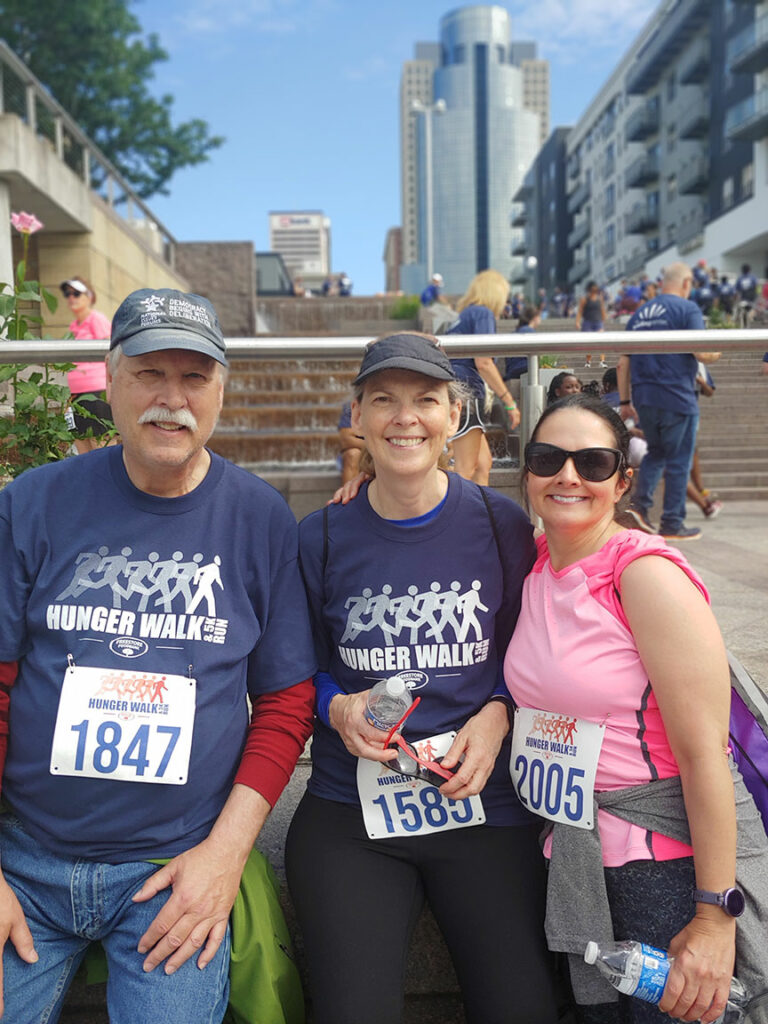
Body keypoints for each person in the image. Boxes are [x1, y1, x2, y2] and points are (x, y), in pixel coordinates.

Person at [0, 288, 317, 1022]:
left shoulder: (259, 518)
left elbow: (286, 700)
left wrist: (225, 856)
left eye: (194, 379)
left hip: (172, 867)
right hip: (26, 859)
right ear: (109, 380)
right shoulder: (32, 504)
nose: (171, 401)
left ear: (220, 392)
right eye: (149, 374)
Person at [287, 332, 559, 1024]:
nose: (405, 417)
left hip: (483, 806)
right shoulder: (319, 535)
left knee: (523, 1009)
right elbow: (298, 668)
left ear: (453, 415)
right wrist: (337, 705)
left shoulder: (500, 523)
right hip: (350, 812)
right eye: (384, 399)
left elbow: (528, 651)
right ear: (357, 416)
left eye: (425, 400)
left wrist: (497, 710)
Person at [503, 393, 768, 1024]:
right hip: (576, 855)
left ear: (623, 480)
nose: (568, 475)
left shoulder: (645, 575)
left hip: (666, 867)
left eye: (592, 462)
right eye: (548, 458)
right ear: (528, 473)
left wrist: (712, 915)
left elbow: (708, 756)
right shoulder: (538, 565)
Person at [617, 261, 720, 541]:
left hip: (645, 397)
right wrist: (718, 351)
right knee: (678, 461)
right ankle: (673, 522)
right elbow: (700, 351)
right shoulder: (687, 309)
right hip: (677, 396)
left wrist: (625, 399)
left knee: (657, 453)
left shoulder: (639, 315)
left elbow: (622, 362)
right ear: (687, 284)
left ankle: (640, 506)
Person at [445, 269, 521, 485]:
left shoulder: (463, 316)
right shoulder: (482, 314)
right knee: (465, 468)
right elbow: (484, 362)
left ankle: (481, 516)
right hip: (466, 389)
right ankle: (454, 518)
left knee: (483, 464)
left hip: (454, 387)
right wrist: (509, 403)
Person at [60, 277, 115, 454]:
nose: (71, 298)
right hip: (77, 393)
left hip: (97, 391)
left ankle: (107, 481)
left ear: (89, 297)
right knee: (82, 443)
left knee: (102, 442)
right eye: (68, 294)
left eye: (76, 293)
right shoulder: (74, 326)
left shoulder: (96, 319)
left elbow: (111, 350)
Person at [576, 281, 607, 368]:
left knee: (601, 342)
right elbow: (580, 311)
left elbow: (602, 309)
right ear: (589, 289)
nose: (594, 290)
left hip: (598, 322)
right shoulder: (584, 299)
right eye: (593, 289)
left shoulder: (599, 299)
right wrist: (577, 322)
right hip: (588, 322)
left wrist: (604, 320)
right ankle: (588, 361)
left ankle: (602, 361)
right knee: (589, 343)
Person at [337, 399, 365, 484]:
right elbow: (346, 440)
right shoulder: (351, 407)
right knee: (353, 454)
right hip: (363, 452)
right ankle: (349, 497)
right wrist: (377, 446)